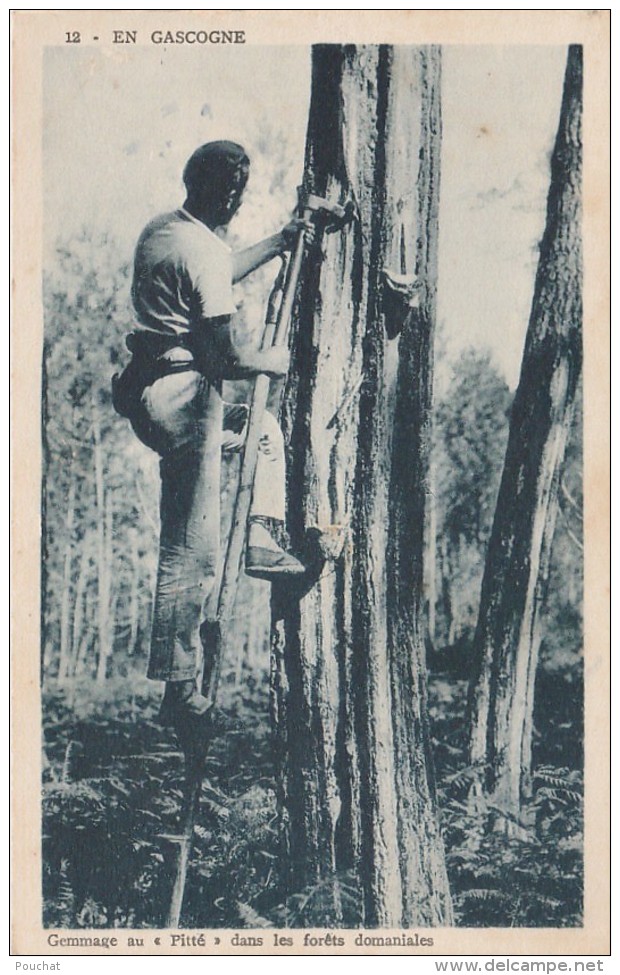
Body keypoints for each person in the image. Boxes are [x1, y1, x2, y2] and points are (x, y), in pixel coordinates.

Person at [113, 140, 312, 723]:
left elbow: (217, 267)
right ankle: (177, 688)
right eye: (231, 193)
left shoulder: (166, 229)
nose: (234, 202)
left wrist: (280, 242)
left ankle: (259, 539)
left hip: (154, 389)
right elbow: (222, 358)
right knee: (191, 548)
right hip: (182, 398)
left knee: (262, 432)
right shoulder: (201, 250)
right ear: (215, 191)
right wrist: (265, 361)